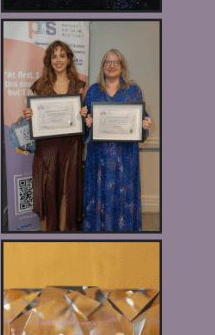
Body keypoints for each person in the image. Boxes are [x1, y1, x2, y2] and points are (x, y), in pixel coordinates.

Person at [21, 40, 88, 232]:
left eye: (62, 55)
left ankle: (66, 236)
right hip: (47, 147)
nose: (58, 60)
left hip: (71, 146)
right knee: (48, 191)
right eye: (54, 56)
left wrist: (83, 114)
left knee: (68, 190)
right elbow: (32, 116)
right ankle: (48, 236)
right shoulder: (39, 86)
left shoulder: (78, 86)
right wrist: (28, 115)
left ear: (69, 59)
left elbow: (84, 120)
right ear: (49, 60)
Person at [83, 49, 152, 231]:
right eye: (107, 62)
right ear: (102, 67)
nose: (111, 66)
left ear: (122, 66)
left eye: (116, 62)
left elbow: (141, 118)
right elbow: (84, 121)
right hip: (99, 156)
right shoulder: (93, 91)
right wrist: (87, 122)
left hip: (125, 156)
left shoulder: (133, 90)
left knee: (124, 195)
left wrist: (145, 123)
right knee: (99, 195)